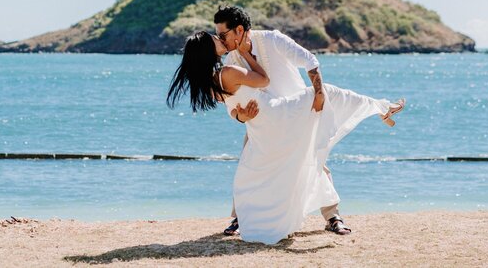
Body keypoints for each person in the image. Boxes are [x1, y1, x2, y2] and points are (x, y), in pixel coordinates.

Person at [167, 22, 405, 245]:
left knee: (258, 171)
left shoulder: (212, 82)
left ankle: (322, 216)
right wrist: (242, 113)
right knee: (327, 93)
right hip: (278, 115)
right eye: (215, 38)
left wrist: (241, 115)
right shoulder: (229, 67)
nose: (220, 39)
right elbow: (262, 82)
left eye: (222, 35)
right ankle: (381, 107)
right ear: (209, 50)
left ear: (239, 30)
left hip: (266, 126)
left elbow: (233, 107)